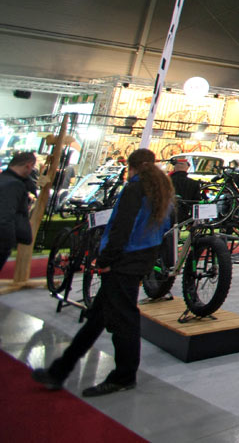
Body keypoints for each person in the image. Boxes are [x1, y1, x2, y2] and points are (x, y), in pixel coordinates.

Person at [33, 149, 173, 396]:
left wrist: (107, 259)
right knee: (98, 318)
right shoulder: (161, 190)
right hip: (140, 257)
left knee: (124, 321)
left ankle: (123, 376)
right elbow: (163, 227)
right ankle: (59, 371)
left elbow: (121, 227)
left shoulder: (135, 188)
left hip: (124, 261)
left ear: (131, 167)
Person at [0, 152, 39, 271]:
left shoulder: (4, 179)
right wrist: (7, 243)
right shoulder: (13, 185)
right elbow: (5, 215)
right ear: (28, 165)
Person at [167, 156, 202, 223]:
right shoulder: (194, 183)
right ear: (187, 168)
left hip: (166, 215)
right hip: (184, 216)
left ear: (175, 168)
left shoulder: (165, 181)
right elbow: (196, 202)